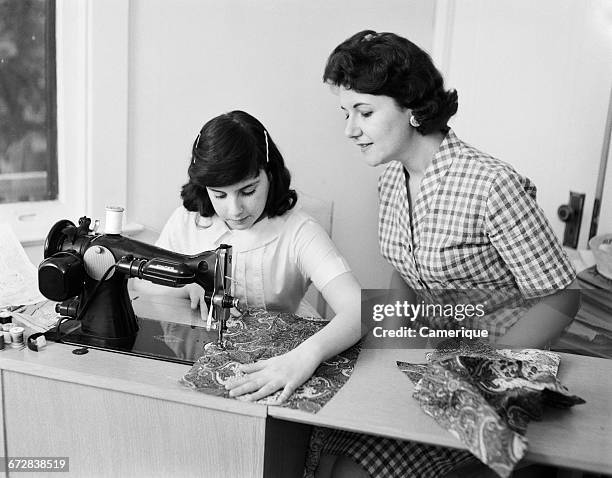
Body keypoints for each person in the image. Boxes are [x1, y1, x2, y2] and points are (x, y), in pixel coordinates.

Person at [311, 30, 580, 478]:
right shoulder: (392, 180)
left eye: (364, 112)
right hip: (436, 360)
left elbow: (561, 296)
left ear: (413, 109)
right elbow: (403, 269)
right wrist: (392, 341)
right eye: (346, 112)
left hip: (501, 370)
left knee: (355, 473)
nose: (349, 130)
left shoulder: (491, 185)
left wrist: (482, 373)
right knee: (329, 454)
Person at [136, 110, 362, 404]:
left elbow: (361, 310)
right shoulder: (188, 222)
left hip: (280, 366)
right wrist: (187, 284)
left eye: (248, 191)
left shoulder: (298, 232)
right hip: (196, 362)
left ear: (270, 173)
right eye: (219, 195)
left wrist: (307, 355)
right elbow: (143, 282)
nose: (234, 210)